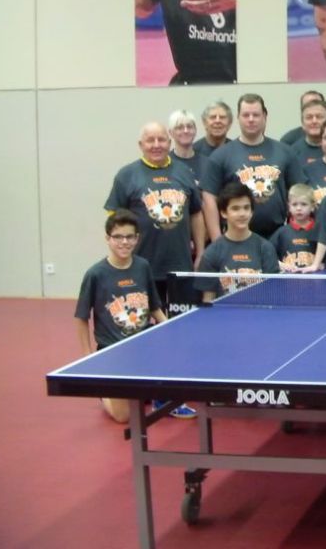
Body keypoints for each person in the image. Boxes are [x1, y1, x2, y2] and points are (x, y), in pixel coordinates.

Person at [74, 211, 172, 423]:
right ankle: (104, 390)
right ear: (107, 238)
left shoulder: (143, 266)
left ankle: (144, 389)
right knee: (124, 417)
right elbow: (81, 317)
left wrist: (171, 331)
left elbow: (154, 307)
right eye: (118, 237)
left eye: (129, 237)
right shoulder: (95, 274)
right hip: (113, 352)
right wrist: (87, 357)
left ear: (137, 239)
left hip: (144, 348)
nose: (124, 242)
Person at [106, 122, 205, 305]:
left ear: (169, 142)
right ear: (140, 145)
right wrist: (119, 258)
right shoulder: (126, 175)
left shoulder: (184, 172)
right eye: (150, 140)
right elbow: (114, 222)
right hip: (141, 266)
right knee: (146, 319)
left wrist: (200, 253)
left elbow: (196, 214)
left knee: (182, 319)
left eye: (161, 140)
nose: (156, 145)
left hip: (181, 265)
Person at [201, 94, 305, 240]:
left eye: (256, 115)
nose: (251, 119)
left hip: (278, 235)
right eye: (246, 115)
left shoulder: (285, 152)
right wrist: (217, 240)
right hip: (235, 237)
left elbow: (300, 192)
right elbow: (209, 198)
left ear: (264, 117)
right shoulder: (220, 156)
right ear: (238, 118)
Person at [197, 181, 279, 303]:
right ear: (223, 213)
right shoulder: (212, 252)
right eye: (235, 208)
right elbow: (208, 300)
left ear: (252, 212)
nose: (242, 214)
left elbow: (273, 295)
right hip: (225, 314)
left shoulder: (265, 248)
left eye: (246, 208)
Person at [268, 184, 319, 271]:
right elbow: (266, 255)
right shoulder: (282, 232)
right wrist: (280, 264)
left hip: (316, 278)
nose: (299, 208)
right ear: (289, 207)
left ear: (312, 207)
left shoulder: (320, 231)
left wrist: (321, 264)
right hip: (288, 278)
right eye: (294, 204)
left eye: (304, 204)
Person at [168, 109, 210, 184]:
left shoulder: (207, 164)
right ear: (171, 133)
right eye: (180, 127)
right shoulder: (165, 163)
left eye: (189, 127)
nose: (186, 131)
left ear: (195, 130)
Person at [291, 99, 326, 168]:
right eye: (309, 117)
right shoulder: (293, 153)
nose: (314, 121)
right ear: (302, 123)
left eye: (319, 117)